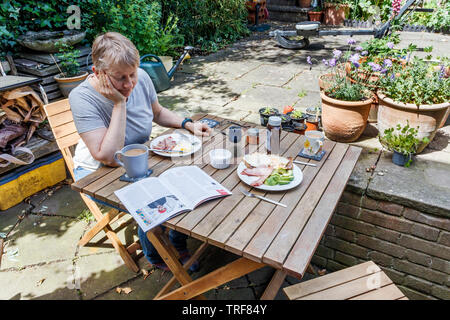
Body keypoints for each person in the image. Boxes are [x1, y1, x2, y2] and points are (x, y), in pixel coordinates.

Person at [69, 32, 211, 271]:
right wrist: (118, 103)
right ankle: (157, 255)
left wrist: (188, 123)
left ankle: (175, 240)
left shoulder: (141, 77)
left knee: (192, 178)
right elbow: (109, 157)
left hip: (139, 158)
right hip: (97, 173)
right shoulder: (82, 97)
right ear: (98, 72)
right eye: (120, 78)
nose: (129, 84)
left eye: (132, 74)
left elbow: (157, 112)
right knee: (156, 200)